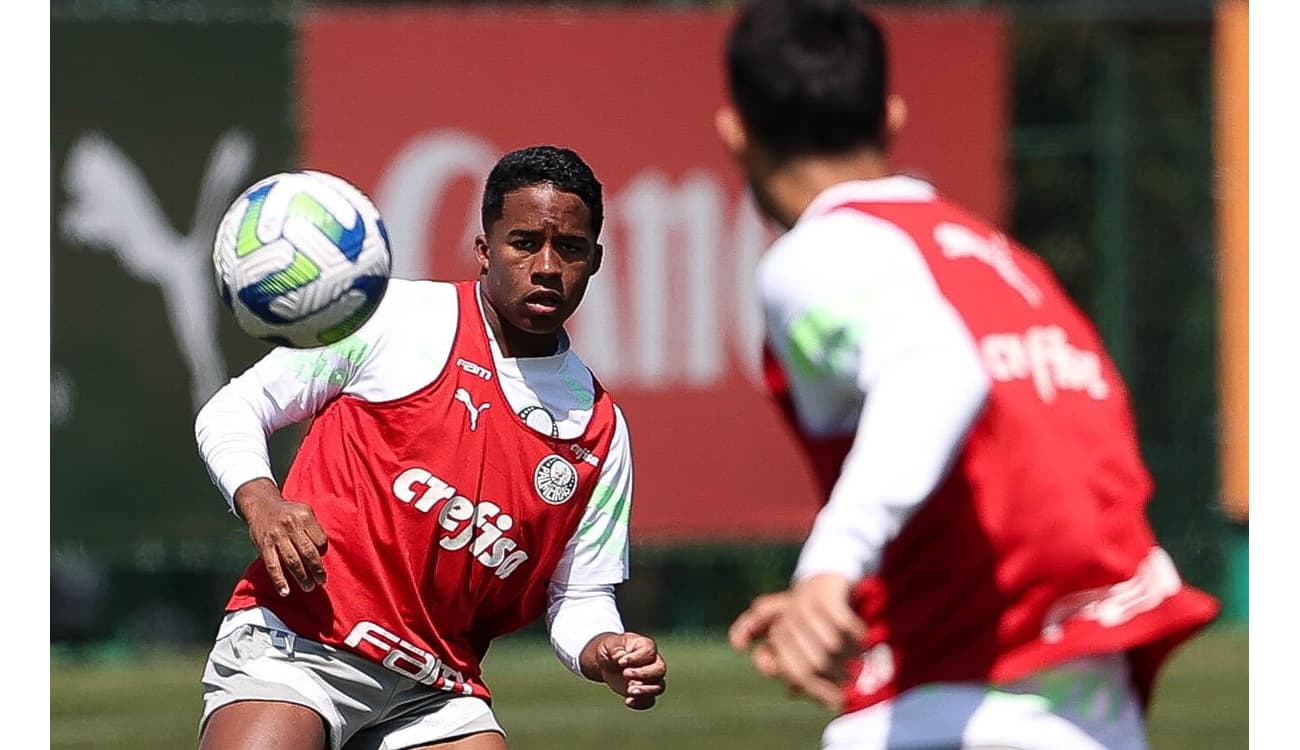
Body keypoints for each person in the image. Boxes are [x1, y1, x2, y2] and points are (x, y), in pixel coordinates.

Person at [714, 1, 1219, 748]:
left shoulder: (819, 254)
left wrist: (829, 564)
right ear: (891, 119)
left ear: (736, 135)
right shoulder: (1002, 263)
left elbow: (938, 372)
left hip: (961, 707)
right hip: (1092, 704)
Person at [193, 145, 667, 750]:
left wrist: (604, 650)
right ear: (484, 249)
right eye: (524, 243)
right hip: (301, 644)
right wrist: (262, 501)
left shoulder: (600, 430)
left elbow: (580, 596)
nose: (547, 266)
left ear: (595, 260)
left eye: (569, 248)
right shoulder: (395, 318)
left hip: (436, 690)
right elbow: (234, 408)